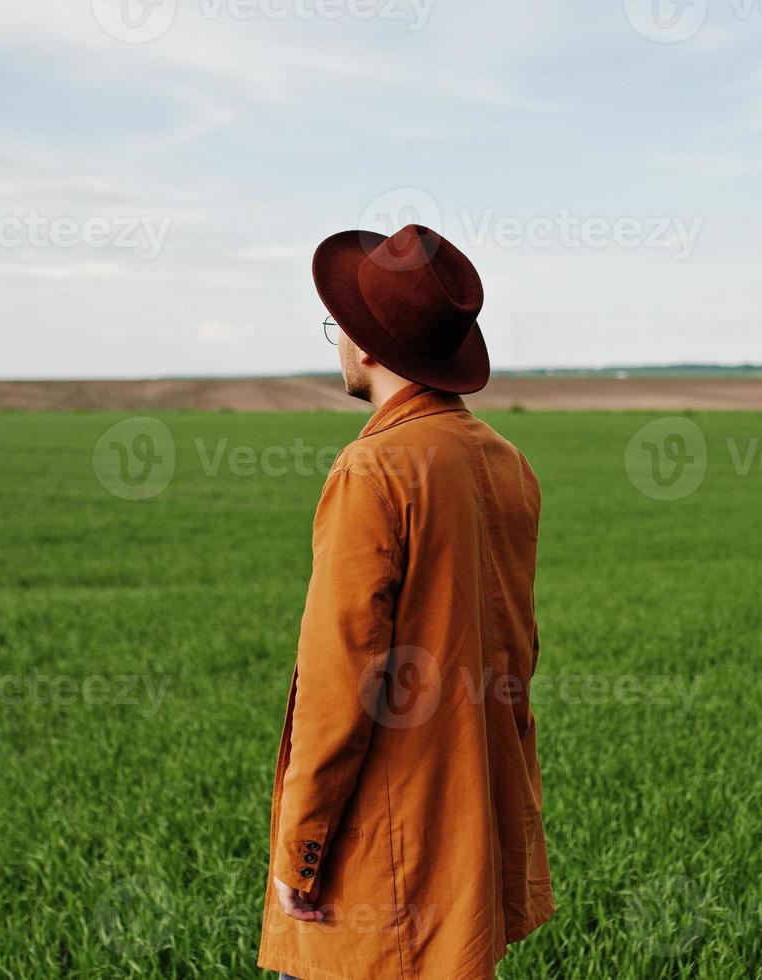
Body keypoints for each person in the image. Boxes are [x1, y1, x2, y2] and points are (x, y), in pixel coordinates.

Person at [257, 224, 555, 979]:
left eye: (337, 327)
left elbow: (338, 682)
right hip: (469, 844)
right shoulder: (505, 463)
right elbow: (518, 652)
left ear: (361, 345)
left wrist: (302, 849)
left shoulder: (373, 469)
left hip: (379, 866)